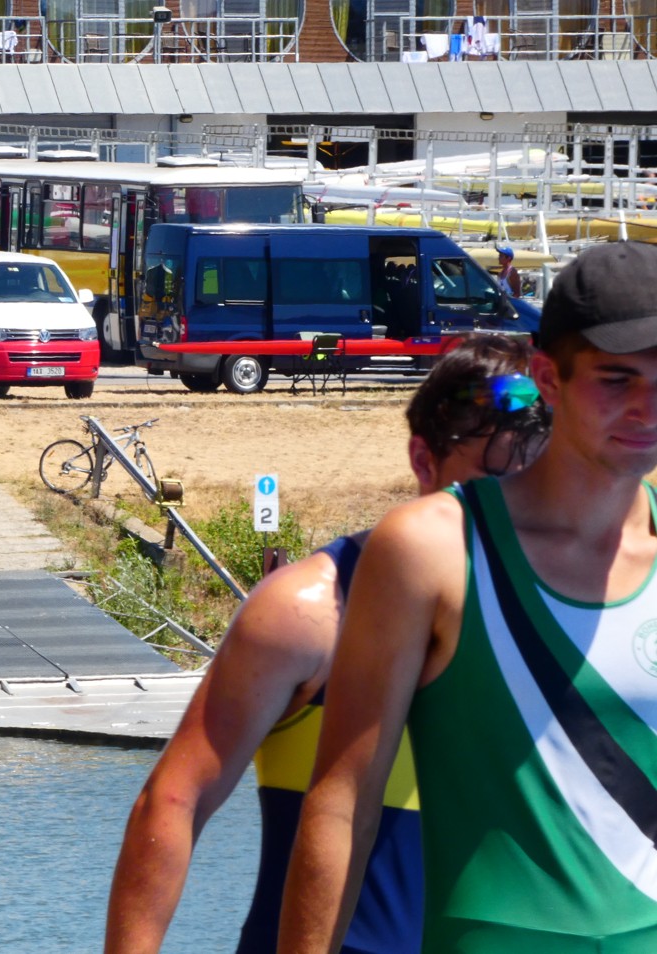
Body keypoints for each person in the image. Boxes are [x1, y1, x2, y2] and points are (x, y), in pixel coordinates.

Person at [105, 333, 551, 954]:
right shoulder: (305, 611)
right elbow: (173, 802)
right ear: (424, 462)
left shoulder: (584, 620)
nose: (523, 511)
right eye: (497, 479)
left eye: (544, 482)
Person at [279, 240, 657, 953]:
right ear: (546, 379)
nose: (647, 408)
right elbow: (343, 804)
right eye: (616, 379)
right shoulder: (430, 548)